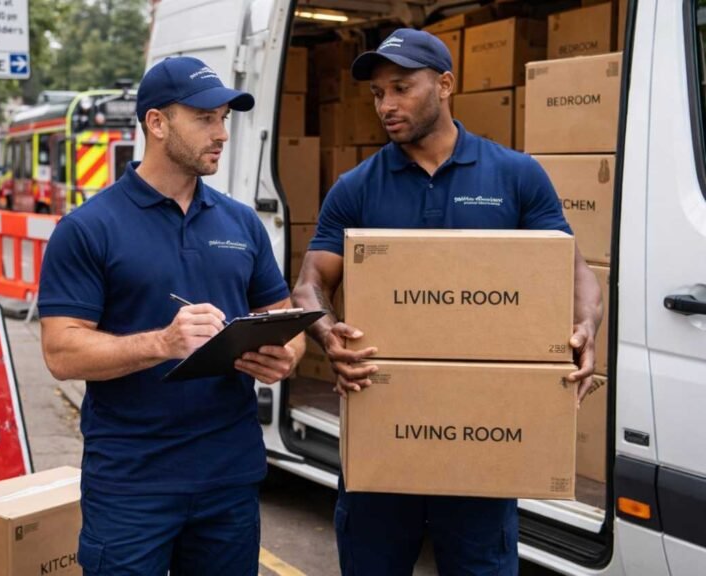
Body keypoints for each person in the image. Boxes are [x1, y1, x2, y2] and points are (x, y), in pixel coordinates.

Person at [291, 29, 603, 575]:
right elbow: (310, 284)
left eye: (401, 88)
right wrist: (328, 333)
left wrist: (584, 327)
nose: (386, 104)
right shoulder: (357, 188)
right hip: (383, 436)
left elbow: (574, 272)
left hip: (482, 438)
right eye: (377, 94)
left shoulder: (514, 176)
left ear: (446, 84)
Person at [38, 56, 304, 575]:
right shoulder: (89, 228)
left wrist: (284, 354)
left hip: (229, 478)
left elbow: (284, 317)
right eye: (205, 118)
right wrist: (161, 343)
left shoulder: (241, 222)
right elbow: (61, 351)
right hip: (132, 484)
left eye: (225, 118)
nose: (222, 133)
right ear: (157, 123)